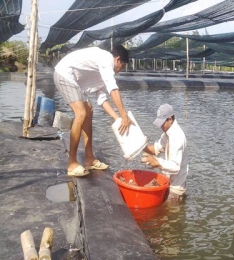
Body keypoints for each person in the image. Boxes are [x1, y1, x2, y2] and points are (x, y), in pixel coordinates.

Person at [53, 45, 133, 177]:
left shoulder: (104, 70)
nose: (120, 70)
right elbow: (113, 89)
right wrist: (124, 115)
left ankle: (89, 158)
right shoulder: (106, 59)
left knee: (89, 110)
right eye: (122, 66)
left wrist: (118, 119)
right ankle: (72, 163)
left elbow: (102, 100)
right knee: (81, 113)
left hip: (75, 82)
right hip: (64, 74)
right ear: (118, 59)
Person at [141, 104, 188, 202]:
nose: (161, 126)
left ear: (170, 119)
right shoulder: (167, 134)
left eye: (162, 123)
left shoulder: (177, 137)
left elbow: (175, 167)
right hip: (168, 183)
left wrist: (157, 162)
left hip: (176, 190)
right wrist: (140, 147)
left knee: (165, 215)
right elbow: (156, 148)